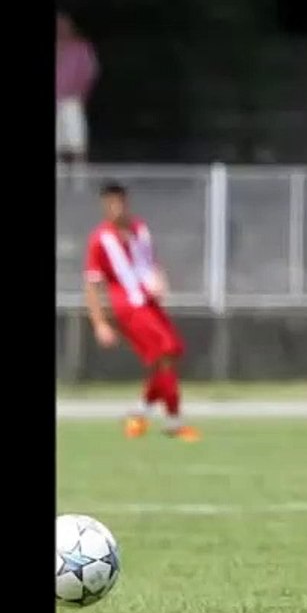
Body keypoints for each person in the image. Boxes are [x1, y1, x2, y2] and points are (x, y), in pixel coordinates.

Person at [83, 182, 200, 443]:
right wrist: (100, 323)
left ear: (126, 202)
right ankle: (172, 421)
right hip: (128, 307)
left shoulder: (139, 229)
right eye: (110, 204)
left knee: (170, 355)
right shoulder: (99, 240)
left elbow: (151, 264)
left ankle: (143, 413)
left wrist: (160, 280)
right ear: (104, 206)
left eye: (120, 202)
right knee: (167, 349)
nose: (116, 208)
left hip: (150, 303)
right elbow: (92, 285)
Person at [56, 12, 99, 166]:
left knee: (77, 144)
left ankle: (80, 179)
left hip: (71, 99)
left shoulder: (81, 47)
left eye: (63, 25)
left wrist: (81, 94)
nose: (60, 28)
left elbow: (90, 72)